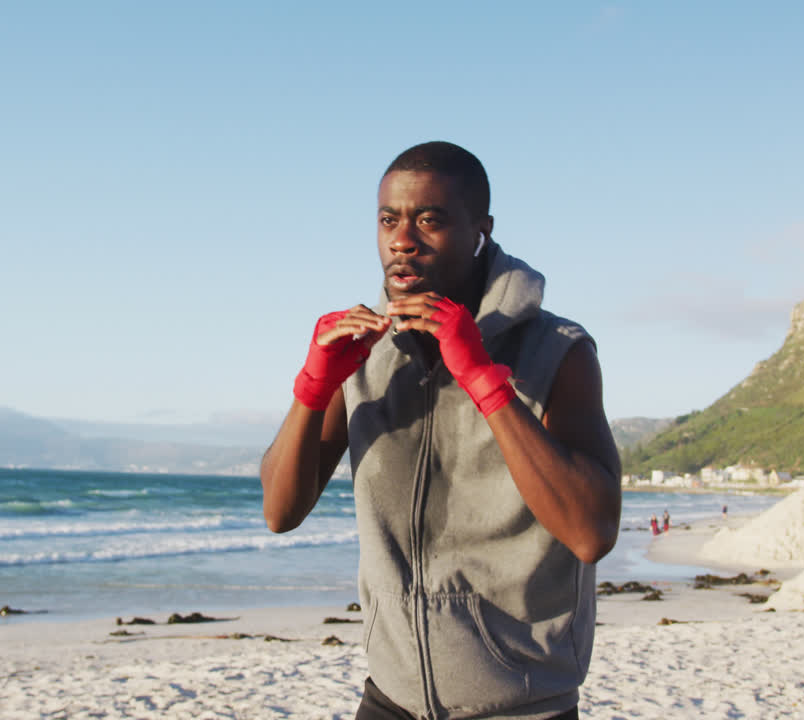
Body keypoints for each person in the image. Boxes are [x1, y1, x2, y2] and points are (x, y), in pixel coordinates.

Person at [260, 141, 622, 720]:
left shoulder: (559, 352)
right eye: (388, 220)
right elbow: (279, 511)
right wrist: (312, 386)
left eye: (429, 219)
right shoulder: (362, 353)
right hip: (391, 699)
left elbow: (591, 531)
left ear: (481, 229)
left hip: (524, 706)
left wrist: (484, 380)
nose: (402, 239)